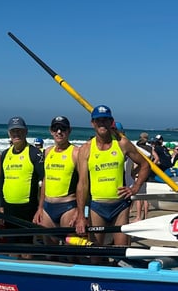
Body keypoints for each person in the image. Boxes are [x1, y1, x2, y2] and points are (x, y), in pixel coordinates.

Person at [74, 105, 150, 251]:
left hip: (120, 206)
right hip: (97, 206)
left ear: (111, 122)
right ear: (93, 123)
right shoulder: (86, 149)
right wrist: (80, 216)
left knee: (121, 252)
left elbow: (145, 165)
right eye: (98, 120)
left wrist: (134, 188)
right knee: (96, 254)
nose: (102, 123)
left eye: (105, 120)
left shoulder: (122, 144)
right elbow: (82, 184)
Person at [33, 116, 78, 244]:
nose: (59, 132)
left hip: (68, 206)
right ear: (51, 131)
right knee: (50, 252)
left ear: (69, 131)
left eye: (63, 128)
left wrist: (80, 213)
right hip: (47, 207)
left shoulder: (76, 152)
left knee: (71, 254)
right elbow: (45, 181)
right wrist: (40, 208)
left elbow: (84, 184)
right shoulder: (47, 152)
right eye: (56, 128)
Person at [0, 116, 44, 244]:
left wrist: (40, 208)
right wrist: (1, 206)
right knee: (12, 244)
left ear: (26, 132)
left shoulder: (35, 153)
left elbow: (44, 181)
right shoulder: (5, 154)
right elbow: (2, 181)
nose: (16, 134)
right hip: (8, 208)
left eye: (19, 130)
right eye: (13, 131)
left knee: (26, 244)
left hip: (28, 208)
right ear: (9, 133)